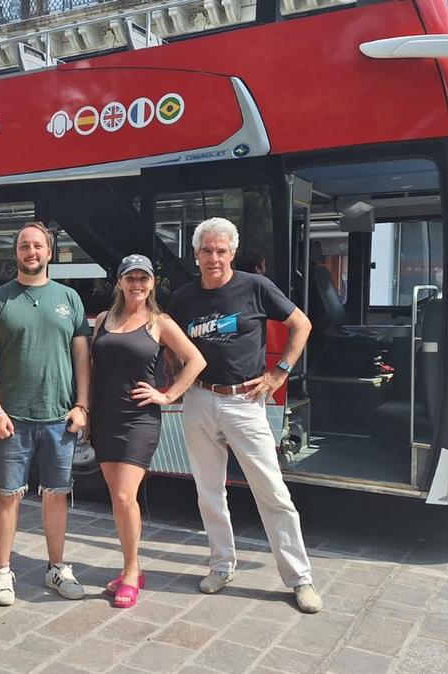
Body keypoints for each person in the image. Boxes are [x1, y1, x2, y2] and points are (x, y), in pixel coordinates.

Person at [168, 217, 323, 614]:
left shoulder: (256, 288)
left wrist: (280, 372)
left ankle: (299, 578)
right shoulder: (183, 298)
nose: (214, 258)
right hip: (200, 400)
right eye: (207, 250)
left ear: (232, 254)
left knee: (272, 493)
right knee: (208, 490)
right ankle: (221, 565)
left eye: (221, 251)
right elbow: (172, 346)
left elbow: (301, 324)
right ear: (196, 254)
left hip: (244, 402)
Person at [0, 221, 92, 606]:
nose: (31, 252)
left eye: (38, 245)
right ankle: (3, 571)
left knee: (56, 496)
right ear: (17, 253)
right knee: (7, 496)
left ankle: (56, 567)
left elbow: (81, 357)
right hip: (11, 419)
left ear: (49, 251)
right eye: (24, 246)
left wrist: (82, 405)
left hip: (59, 418)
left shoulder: (70, 299)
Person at [90, 254, 206, 609]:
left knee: (126, 497)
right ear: (120, 283)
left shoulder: (160, 322)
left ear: (152, 283)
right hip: (105, 418)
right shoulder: (102, 321)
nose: (137, 284)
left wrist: (168, 395)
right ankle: (130, 568)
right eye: (130, 278)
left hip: (139, 419)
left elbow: (196, 360)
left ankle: (130, 571)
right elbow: (94, 368)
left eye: (143, 278)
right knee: (118, 499)